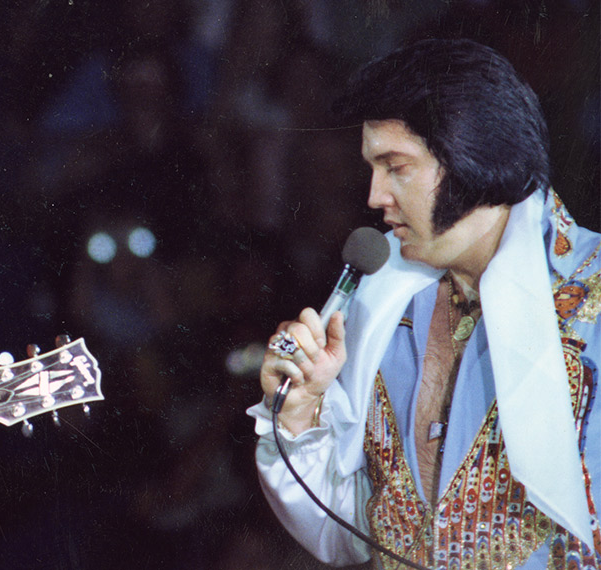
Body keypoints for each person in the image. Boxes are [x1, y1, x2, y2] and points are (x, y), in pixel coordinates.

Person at [249, 38, 600, 569]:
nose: (374, 196)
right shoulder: (382, 299)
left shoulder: (592, 291)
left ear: (473, 155)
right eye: (373, 168)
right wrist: (299, 414)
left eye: (396, 167)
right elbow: (349, 531)